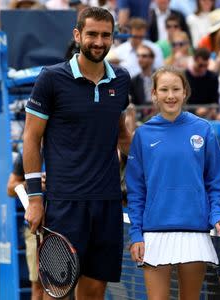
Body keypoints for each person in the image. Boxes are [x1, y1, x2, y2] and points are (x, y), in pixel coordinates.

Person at [23, 7, 131, 300]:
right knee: (56, 291)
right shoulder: (51, 78)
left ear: (113, 38)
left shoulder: (121, 80)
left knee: (95, 290)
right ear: (77, 35)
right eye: (92, 34)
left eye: (105, 35)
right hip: (65, 203)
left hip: (107, 203)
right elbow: (31, 139)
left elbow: (122, 136)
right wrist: (35, 199)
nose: (98, 41)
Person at [126, 66, 220, 299]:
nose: (170, 95)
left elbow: (216, 182)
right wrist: (136, 235)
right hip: (153, 233)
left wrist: (216, 215)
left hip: (194, 231)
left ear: (185, 92)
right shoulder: (143, 135)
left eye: (175, 89)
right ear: (154, 94)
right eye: (164, 89)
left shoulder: (203, 129)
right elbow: (136, 190)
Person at [6, 152, 44, 300]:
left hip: (68, 225)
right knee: (38, 285)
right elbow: (10, 188)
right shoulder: (26, 154)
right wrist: (34, 184)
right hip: (36, 230)